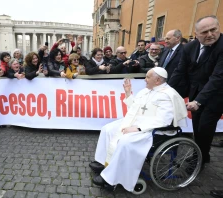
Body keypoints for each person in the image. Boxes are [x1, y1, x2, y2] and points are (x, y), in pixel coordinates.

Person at [89, 67, 187, 192]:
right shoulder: (146, 91)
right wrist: (128, 93)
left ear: (157, 80)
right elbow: (134, 109)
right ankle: (104, 162)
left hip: (154, 130)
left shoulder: (168, 95)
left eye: (147, 77)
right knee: (107, 129)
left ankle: (110, 178)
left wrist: (137, 128)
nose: (145, 80)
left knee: (125, 141)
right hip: (137, 122)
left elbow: (163, 121)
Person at [168, 15, 223, 165]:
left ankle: (199, 159)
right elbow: (180, 71)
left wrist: (199, 101)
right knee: (197, 127)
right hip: (196, 91)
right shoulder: (189, 47)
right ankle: (203, 155)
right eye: (205, 32)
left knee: (205, 127)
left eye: (213, 30)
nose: (210, 34)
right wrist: (165, 90)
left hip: (216, 95)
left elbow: (218, 77)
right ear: (196, 33)